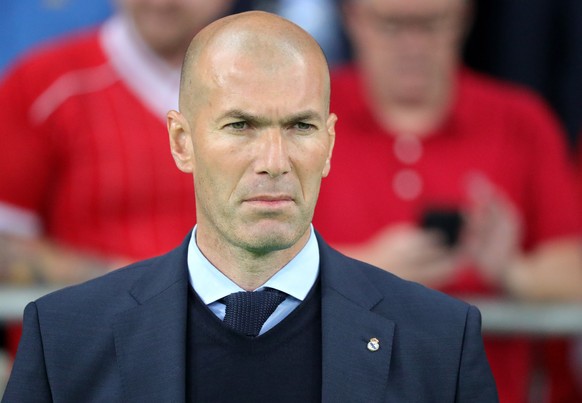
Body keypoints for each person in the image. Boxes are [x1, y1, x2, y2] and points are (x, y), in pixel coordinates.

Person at [2, 11, 498, 402]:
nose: (274, 161)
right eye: (241, 126)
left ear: (328, 143)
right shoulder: (65, 339)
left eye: (300, 127)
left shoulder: (440, 343)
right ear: (181, 141)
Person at [312, 0, 582, 402]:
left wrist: (513, 271)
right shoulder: (305, 119)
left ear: (465, 19)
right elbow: (239, 264)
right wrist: (365, 273)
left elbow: (573, 265)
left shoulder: (521, 121)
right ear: (352, 19)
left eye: (433, 23)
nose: (413, 44)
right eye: (390, 25)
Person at [0, 0, 239, 286]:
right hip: (89, 324)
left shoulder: (272, 91)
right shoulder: (43, 85)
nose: (162, 3)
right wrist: (138, 288)